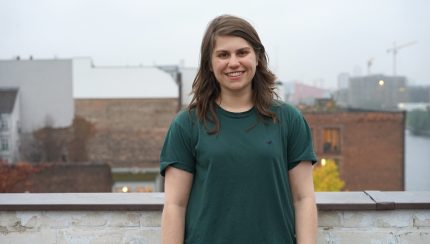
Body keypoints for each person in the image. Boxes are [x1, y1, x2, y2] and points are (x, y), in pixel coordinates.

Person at [160, 15, 317, 244]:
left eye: (242, 53)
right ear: (209, 64)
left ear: (257, 58)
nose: (233, 62)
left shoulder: (289, 120)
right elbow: (175, 205)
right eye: (223, 55)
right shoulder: (187, 125)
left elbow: (303, 199)